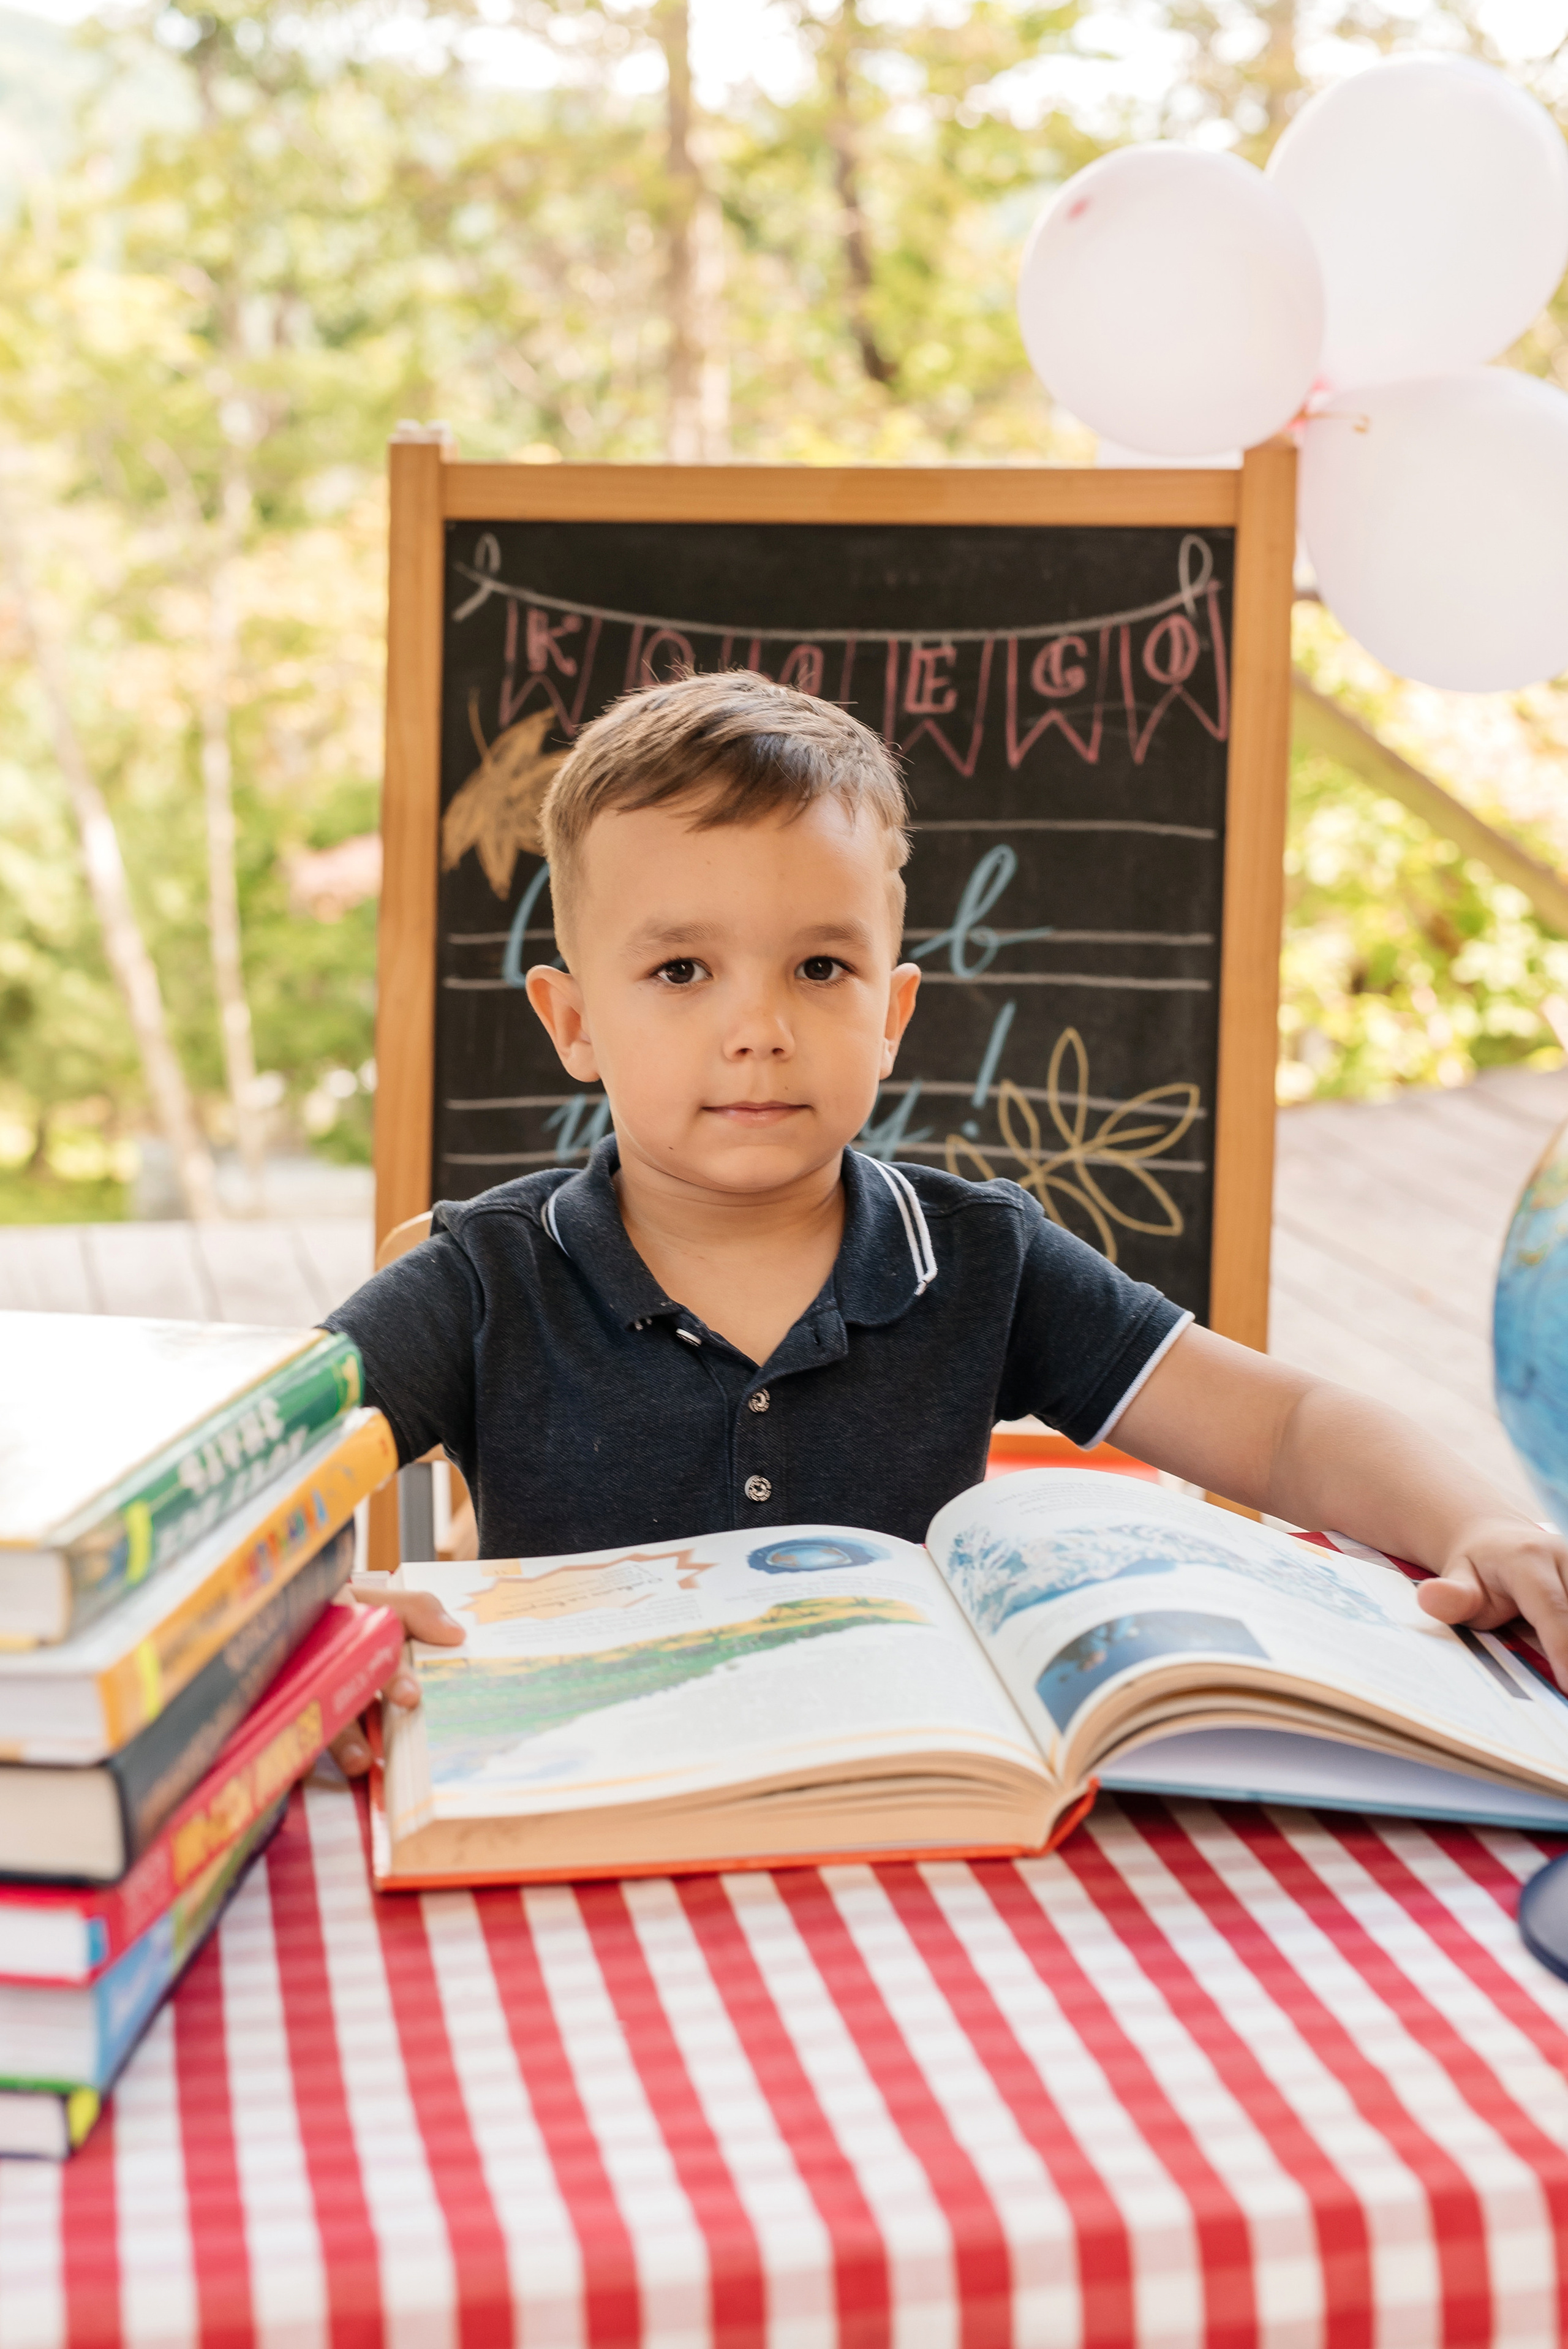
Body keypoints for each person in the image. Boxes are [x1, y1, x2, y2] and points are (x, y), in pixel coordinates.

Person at [328, 667, 1568, 1774]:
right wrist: (322, 1621)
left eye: (819, 969)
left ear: (892, 1012)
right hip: (575, 1819)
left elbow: (1285, 1427)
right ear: (571, 1021)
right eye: (681, 971)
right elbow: (242, 1485)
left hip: (923, 1833)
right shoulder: (484, 1279)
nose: (756, 1027)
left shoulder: (978, 1258)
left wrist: (1477, 1522)